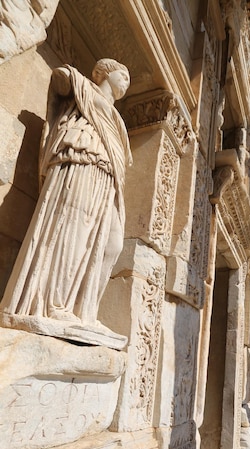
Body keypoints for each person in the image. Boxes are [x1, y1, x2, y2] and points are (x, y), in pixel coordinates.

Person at [0, 58, 132, 346]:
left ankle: (86, 312)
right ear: (106, 72)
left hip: (105, 175)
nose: (127, 82)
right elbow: (59, 78)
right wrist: (77, 80)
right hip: (80, 160)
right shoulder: (83, 86)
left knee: (113, 243)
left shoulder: (117, 120)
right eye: (123, 75)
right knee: (72, 232)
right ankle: (54, 304)